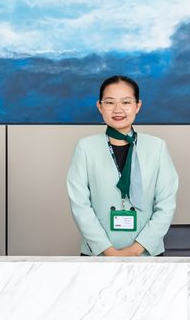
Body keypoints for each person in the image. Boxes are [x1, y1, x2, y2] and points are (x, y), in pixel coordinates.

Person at [66, 75, 178, 256]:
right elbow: (80, 206)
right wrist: (108, 251)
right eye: (110, 102)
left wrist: (136, 249)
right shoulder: (85, 147)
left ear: (137, 106)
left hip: (146, 254)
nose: (118, 109)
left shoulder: (157, 147)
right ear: (100, 106)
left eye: (126, 102)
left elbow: (166, 204)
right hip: (98, 254)